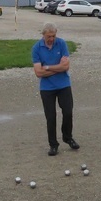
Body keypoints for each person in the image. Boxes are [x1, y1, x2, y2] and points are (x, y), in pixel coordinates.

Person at [32, 22, 80, 156]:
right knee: (51, 117)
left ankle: (68, 137)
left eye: (53, 36)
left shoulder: (62, 44)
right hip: (47, 88)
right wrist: (57, 68)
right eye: (49, 36)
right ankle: (53, 144)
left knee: (68, 111)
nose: (51, 39)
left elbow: (65, 67)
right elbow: (38, 73)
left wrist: (47, 67)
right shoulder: (36, 48)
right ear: (43, 35)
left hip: (63, 84)